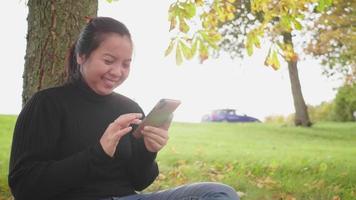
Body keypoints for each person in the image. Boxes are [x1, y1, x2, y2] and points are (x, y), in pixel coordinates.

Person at [8, 17, 239, 200]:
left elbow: (140, 181)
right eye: (109, 61)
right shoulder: (47, 104)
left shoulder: (129, 108)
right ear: (81, 56)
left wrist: (148, 151)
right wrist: (98, 153)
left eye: (126, 64)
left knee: (218, 193)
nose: (118, 72)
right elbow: (24, 187)